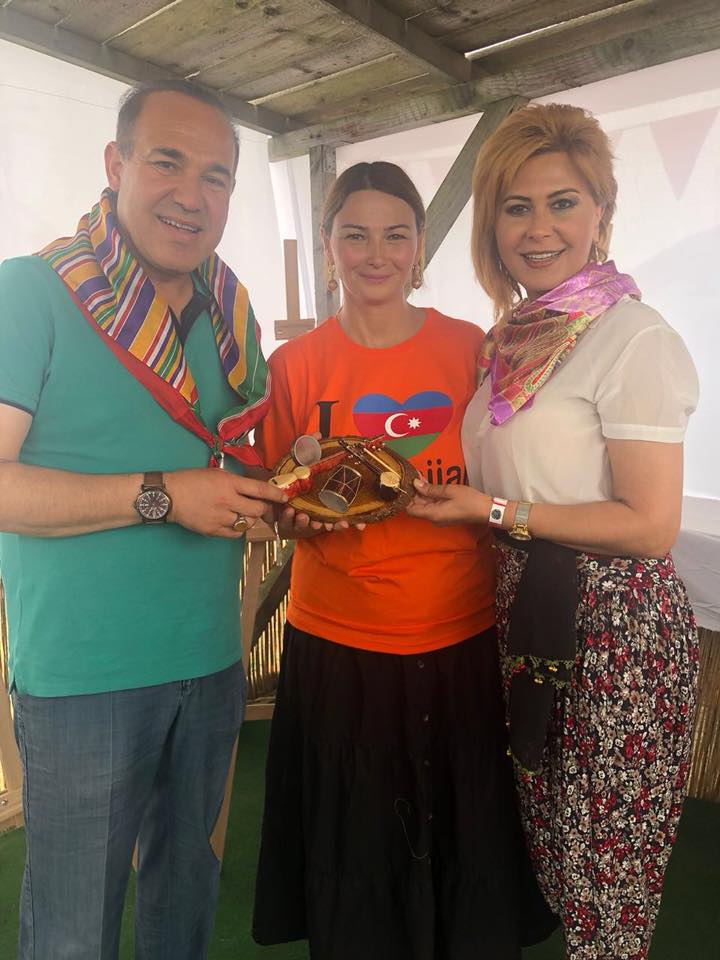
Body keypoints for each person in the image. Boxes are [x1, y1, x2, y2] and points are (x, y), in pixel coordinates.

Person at [0, 80, 288, 960]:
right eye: (167, 163)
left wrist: (286, 495)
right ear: (116, 165)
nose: (191, 196)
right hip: (83, 678)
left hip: (209, 661)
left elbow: (232, 466)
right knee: (73, 928)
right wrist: (160, 494)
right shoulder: (30, 291)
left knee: (185, 900)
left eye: (216, 177)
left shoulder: (227, 313)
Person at [408, 103, 699, 960]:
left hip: (614, 630)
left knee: (605, 876)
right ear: (491, 226)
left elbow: (649, 526)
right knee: (559, 860)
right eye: (516, 207)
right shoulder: (512, 340)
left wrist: (492, 513)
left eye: (562, 203)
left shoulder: (632, 338)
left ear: (601, 212)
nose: (539, 230)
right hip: (528, 610)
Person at [251, 161, 555, 959]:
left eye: (395, 235)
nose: (376, 254)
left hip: (460, 636)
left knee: (465, 852)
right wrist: (297, 519)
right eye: (355, 235)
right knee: (357, 857)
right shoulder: (294, 367)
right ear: (329, 246)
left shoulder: (472, 351)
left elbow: (511, 473)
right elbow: (273, 502)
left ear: (420, 246)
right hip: (338, 642)